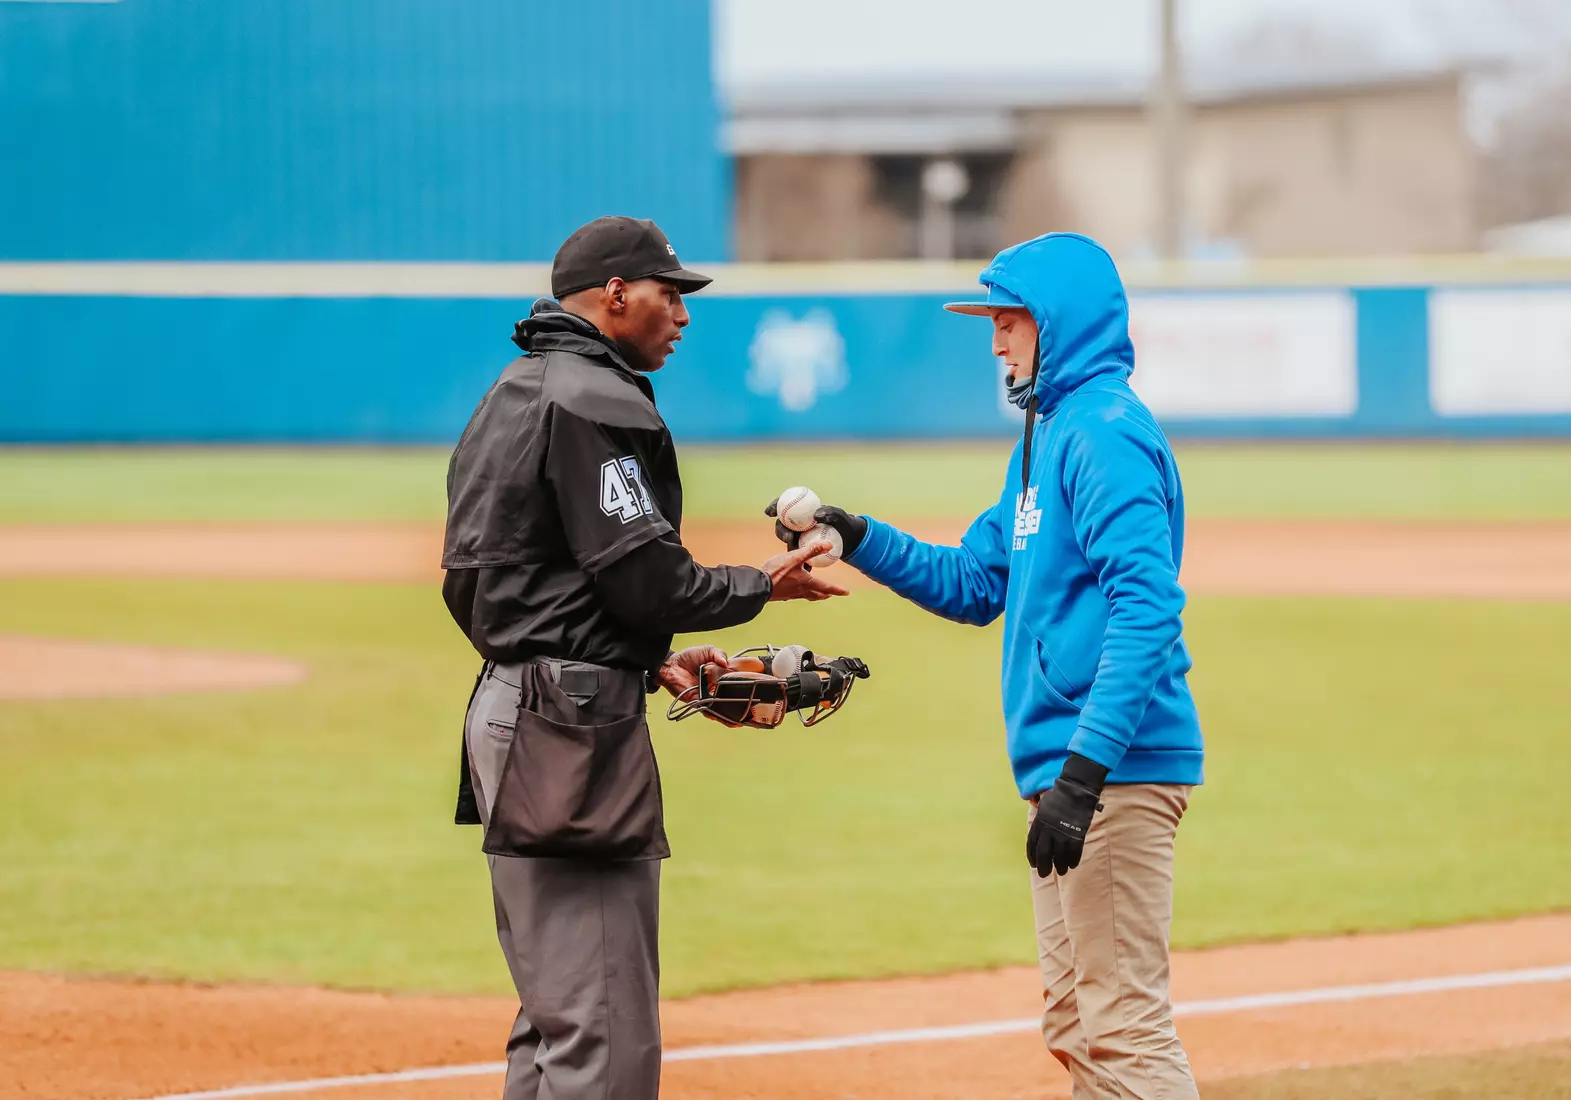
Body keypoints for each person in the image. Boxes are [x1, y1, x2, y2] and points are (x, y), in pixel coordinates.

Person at [783, 233, 1203, 1099]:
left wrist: (1084, 775)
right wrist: (855, 536)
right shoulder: (1046, 440)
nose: (996, 341)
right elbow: (977, 582)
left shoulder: (1105, 435)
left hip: (1113, 771)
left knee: (1121, 1025)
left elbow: (1148, 608)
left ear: (1059, 323)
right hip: (1076, 774)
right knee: (1078, 1025)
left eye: (1009, 320)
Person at [443, 215, 844, 1100]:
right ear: (615, 295)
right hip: (568, 730)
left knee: (556, 1020)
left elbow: (492, 580)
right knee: (606, 1035)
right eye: (670, 293)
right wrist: (760, 585)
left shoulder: (513, 389)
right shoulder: (597, 399)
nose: (683, 314)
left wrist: (634, 657)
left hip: (512, 706)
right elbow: (648, 581)